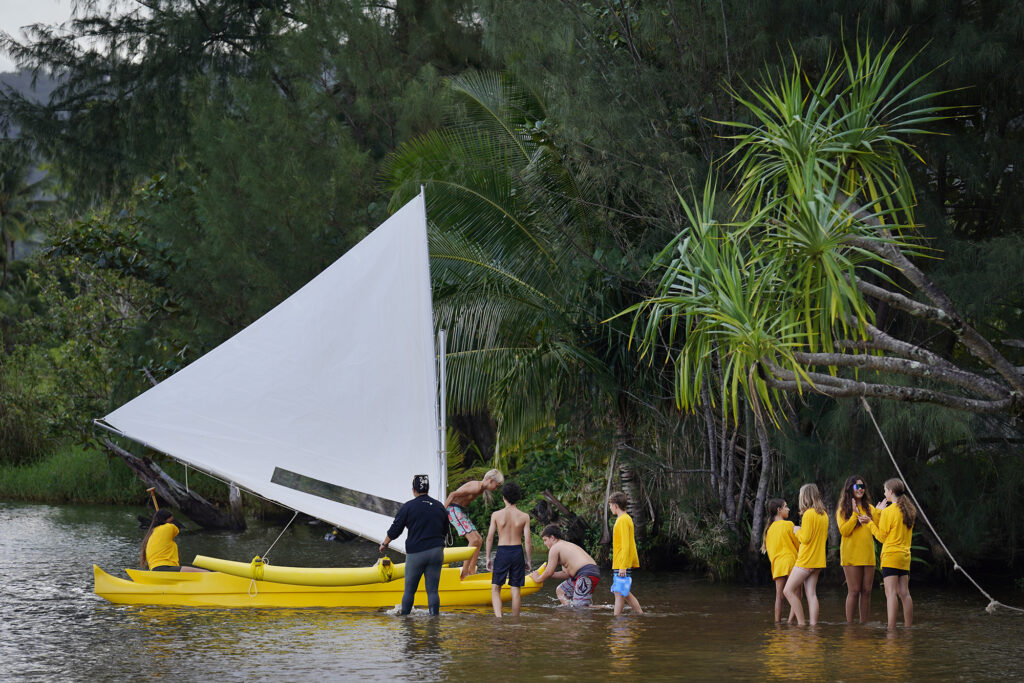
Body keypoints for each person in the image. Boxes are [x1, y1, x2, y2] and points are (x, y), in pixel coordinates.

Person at [380, 474, 448, 615]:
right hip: (436, 552)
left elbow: (396, 527)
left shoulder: (409, 507)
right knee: (433, 591)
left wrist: (385, 543)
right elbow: (445, 529)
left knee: (410, 590)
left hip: (417, 553)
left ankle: (405, 620)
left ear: (414, 490)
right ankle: (434, 621)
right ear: (428, 489)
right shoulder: (439, 506)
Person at [869, 477, 916, 629]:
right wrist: (878, 514)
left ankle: (891, 629)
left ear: (891, 491)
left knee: (891, 594)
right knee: (905, 593)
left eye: (885, 490)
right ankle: (908, 628)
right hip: (904, 557)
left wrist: (869, 523)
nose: (884, 493)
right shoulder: (909, 511)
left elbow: (881, 537)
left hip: (890, 556)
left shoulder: (888, 512)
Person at [444, 469, 504, 579]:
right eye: (497, 485)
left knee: (479, 540)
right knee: (473, 540)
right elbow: (453, 494)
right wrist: (441, 513)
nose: (496, 488)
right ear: (490, 481)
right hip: (453, 510)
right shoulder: (476, 487)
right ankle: (464, 573)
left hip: (459, 510)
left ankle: (472, 571)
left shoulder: (480, 488)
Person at [484, 481, 532, 618]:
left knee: (496, 588)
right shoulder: (524, 516)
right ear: (517, 497)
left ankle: (499, 619)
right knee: (515, 589)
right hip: (517, 552)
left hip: (503, 552)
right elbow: (528, 541)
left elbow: (489, 538)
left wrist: (487, 558)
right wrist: (528, 560)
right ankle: (516, 622)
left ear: (503, 497)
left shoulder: (496, 515)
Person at [783, 483, 828, 625]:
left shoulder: (808, 514)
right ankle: (813, 627)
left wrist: (797, 531)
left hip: (806, 560)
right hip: (818, 560)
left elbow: (805, 538)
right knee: (811, 594)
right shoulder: (824, 514)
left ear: (805, 497)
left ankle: (801, 624)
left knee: (788, 591)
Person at [836, 474, 879, 624]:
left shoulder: (870, 508)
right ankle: (850, 626)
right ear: (850, 489)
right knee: (854, 591)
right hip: (851, 555)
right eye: (857, 486)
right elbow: (844, 531)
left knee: (866, 591)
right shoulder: (843, 509)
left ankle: (864, 625)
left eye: (862, 486)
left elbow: (879, 528)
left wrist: (878, 512)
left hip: (868, 555)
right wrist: (855, 515)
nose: (860, 489)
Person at [529, 525, 601, 607]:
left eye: (545, 540)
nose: (544, 543)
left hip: (586, 574)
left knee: (580, 609)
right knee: (561, 591)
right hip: (588, 572)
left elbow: (549, 572)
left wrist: (538, 579)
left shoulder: (555, 548)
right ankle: (569, 610)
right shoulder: (563, 545)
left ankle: (606, 609)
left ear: (552, 538)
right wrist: (551, 573)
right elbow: (566, 574)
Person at [762, 498, 798, 623]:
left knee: (779, 597)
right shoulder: (789, 524)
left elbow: (771, 552)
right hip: (792, 562)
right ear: (779, 510)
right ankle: (790, 623)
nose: (788, 509)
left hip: (777, 565)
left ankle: (777, 625)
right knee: (797, 595)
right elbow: (798, 545)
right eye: (786, 506)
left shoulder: (769, 530)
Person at [608, 491, 644, 616]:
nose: (610, 508)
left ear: (616, 505)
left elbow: (626, 545)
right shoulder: (624, 519)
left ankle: (616, 620)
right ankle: (640, 615)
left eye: (610, 505)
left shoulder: (623, 520)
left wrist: (623, 566)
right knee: (623, 593)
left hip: (621, 563)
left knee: (620, 593)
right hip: (621, 562)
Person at [139, 509, 205, 572]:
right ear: (165, 521)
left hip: (155, 569)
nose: (172, 523)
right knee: (205, 572)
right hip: (165, 568)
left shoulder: (151, 533)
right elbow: (176, 530)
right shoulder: (168, 527)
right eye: (171, 521)